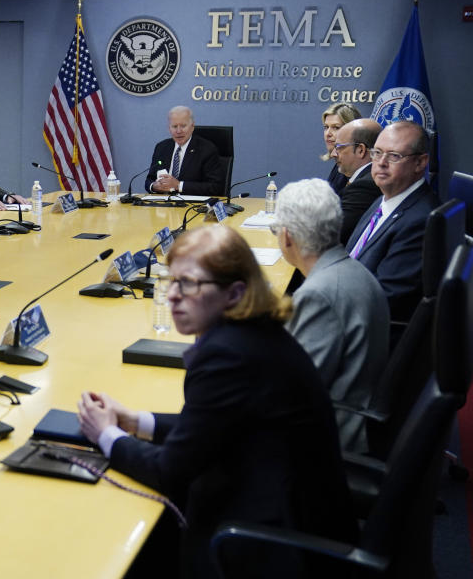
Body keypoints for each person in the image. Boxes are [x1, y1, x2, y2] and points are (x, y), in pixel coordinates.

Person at [77, 225, 354, 578]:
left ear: (234, 293)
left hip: (273, 543)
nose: (172, 296)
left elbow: (171, 472)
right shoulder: (253, 331)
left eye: (189, 284)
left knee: (120, 544)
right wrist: (135, 421)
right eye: (171, 281)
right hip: (299, 506)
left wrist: (105, 436)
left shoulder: (226, 355)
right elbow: (213, 425)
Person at [273, 178, 389, 452]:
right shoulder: (351, 270)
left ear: (287, 236)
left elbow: (291, 394)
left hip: (325, 440)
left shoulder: (319, 295)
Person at [345, 120, 440, 322]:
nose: (381, 162)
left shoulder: (420, 220)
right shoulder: (382, 201)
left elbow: (385, 298)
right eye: (377, 153)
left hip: (363, 331)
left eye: (394, 156)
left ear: (420, 163)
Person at [144, 106, 224, 196]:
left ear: (192, 126)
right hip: (163, 204)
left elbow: (215, 187)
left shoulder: (207, 149)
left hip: (192, 205)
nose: (178, 131)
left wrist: (179, 185)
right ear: (169, 128)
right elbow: (149, 179)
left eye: (183, 126)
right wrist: (154, 186)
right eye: (174, 126)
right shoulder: (161, 147)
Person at [333, 118, 382, 244]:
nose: (333, 153)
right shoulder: (358, 179)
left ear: (361, 150)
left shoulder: (365, 186)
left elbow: (332, 234)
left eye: (339, 147)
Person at [320, 102, 361, 195]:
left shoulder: (355, 168)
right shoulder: (339, 166)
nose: (328, 133)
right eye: (326, 127)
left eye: (336, 128)